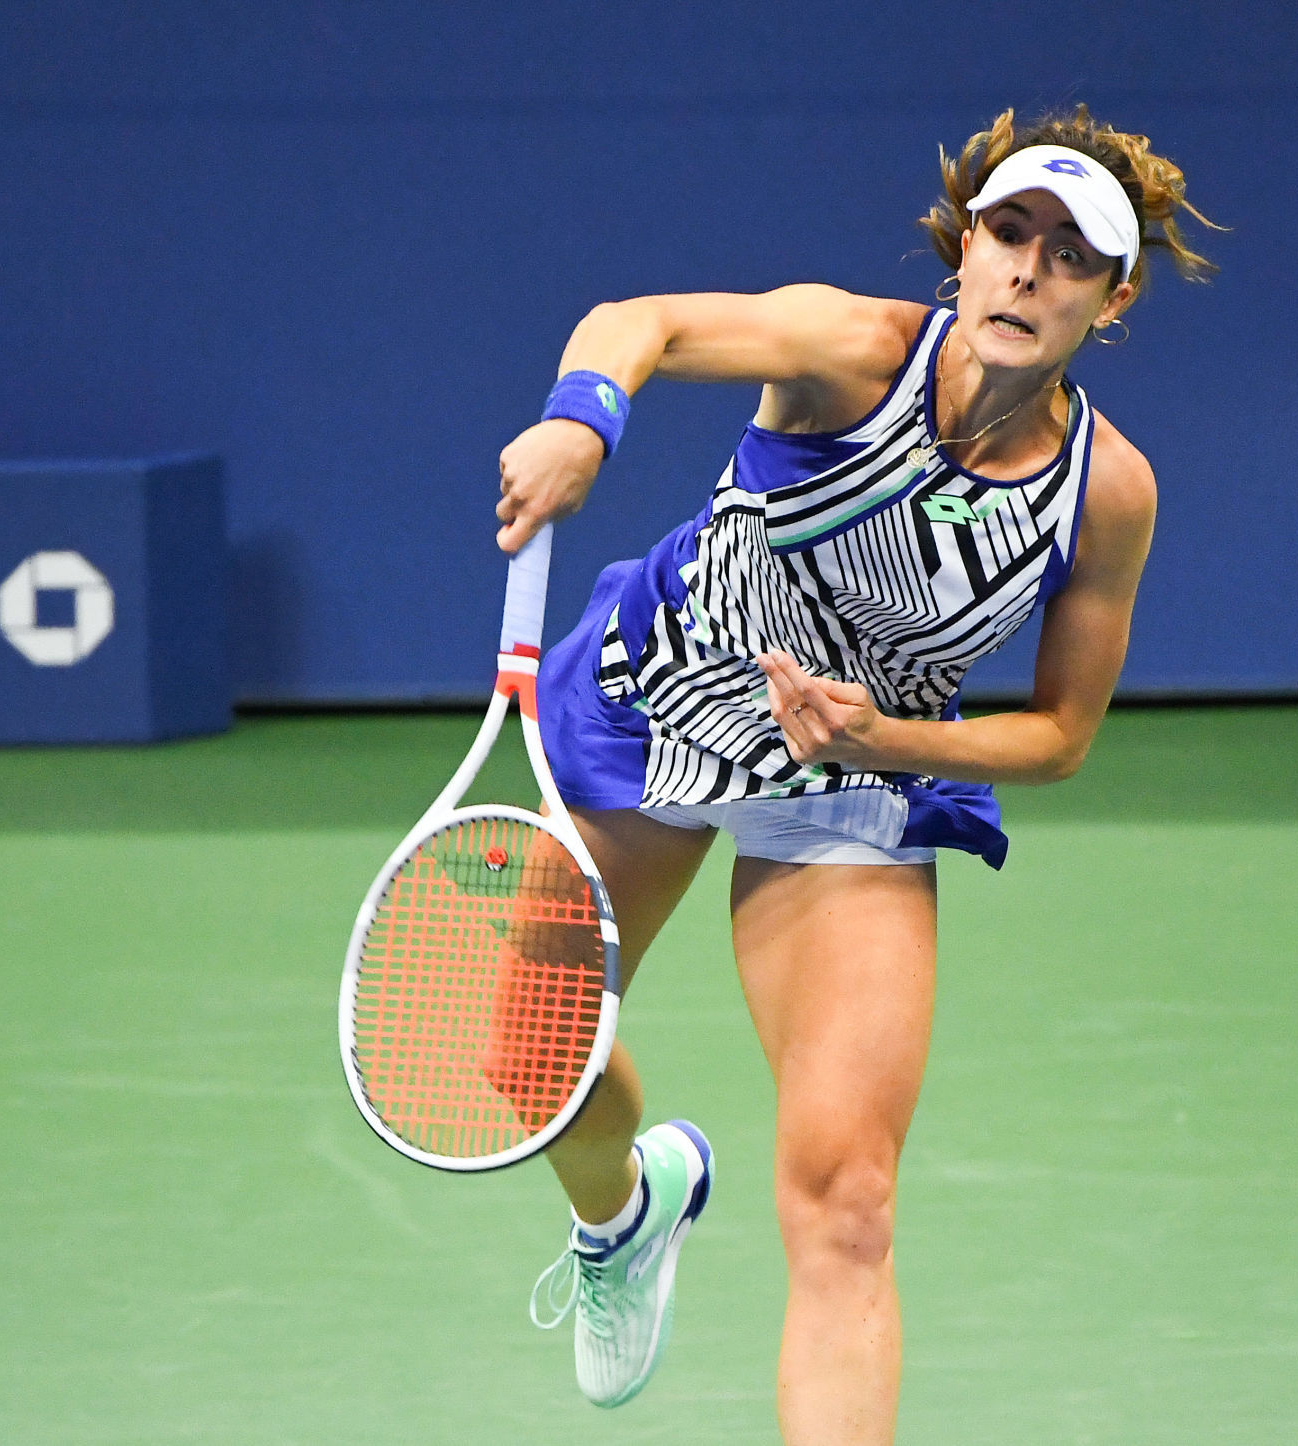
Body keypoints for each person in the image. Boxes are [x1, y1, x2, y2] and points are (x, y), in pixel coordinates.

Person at [495, 105, 1219, 1440]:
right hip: (659, 698)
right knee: (526, 1067)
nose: (1028, 270)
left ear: (1111, 300)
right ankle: (628, 1210)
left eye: (1071, 255)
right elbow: (636, 319)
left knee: (847, 1201)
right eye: (1010, 231)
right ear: (964, 246)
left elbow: (1060, 735)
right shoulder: (850, 348)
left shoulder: (1106, 493)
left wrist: (880, 739)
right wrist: (584, 423)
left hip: (851, 775)